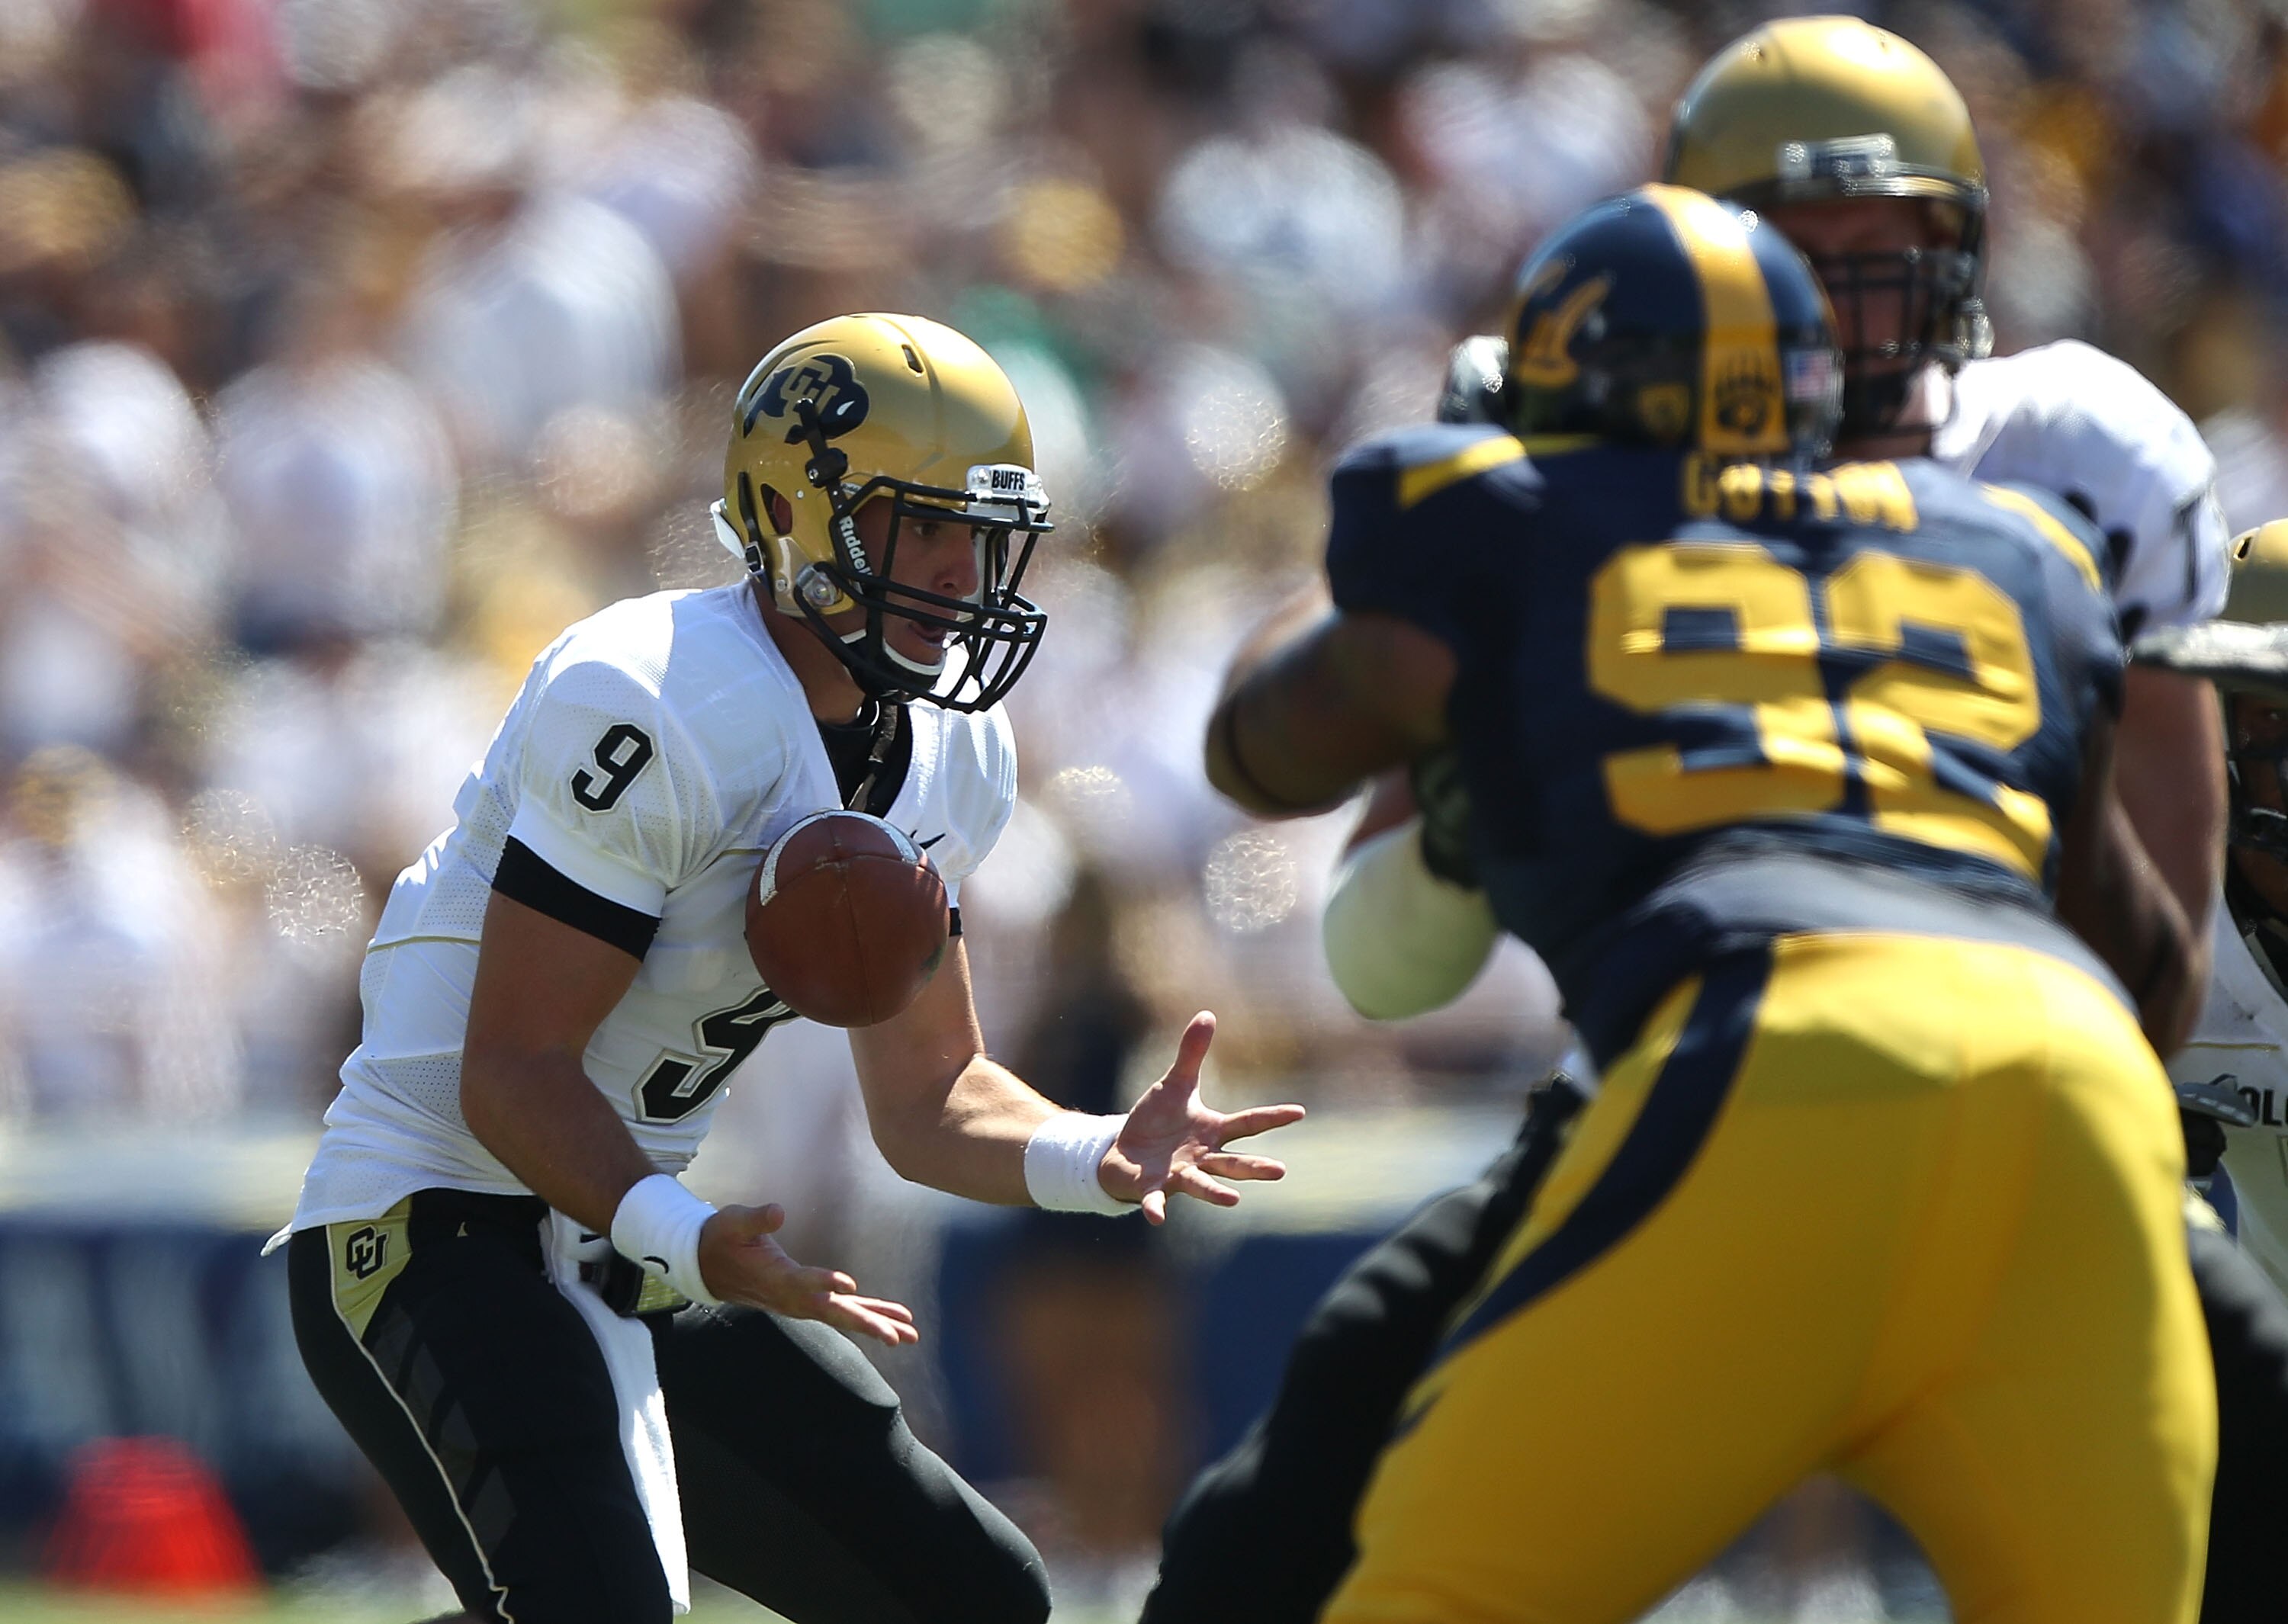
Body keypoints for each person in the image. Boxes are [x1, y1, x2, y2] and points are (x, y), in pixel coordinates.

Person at [1143, 19, 2258, 1622]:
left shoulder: (1558, 499)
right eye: (1818, 257)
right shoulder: (2017, 551)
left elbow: (1268, 750)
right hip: (2012, 1075)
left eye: (1899, 247)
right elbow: (2134, 958)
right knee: (1280, 1526)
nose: (1861, 299)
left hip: (1754, 1053)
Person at [270, 312, 1304, 1624]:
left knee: (968, 1596)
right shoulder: (654, 695)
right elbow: (511, 1073)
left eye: (976, 535)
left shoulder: (949, 750)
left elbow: (935, 1094)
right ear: (791, 510)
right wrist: (687, 1236)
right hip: (425, 1225)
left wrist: (1090, 1153)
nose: (953, 570)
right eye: (913, 526)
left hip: (623, 1235)